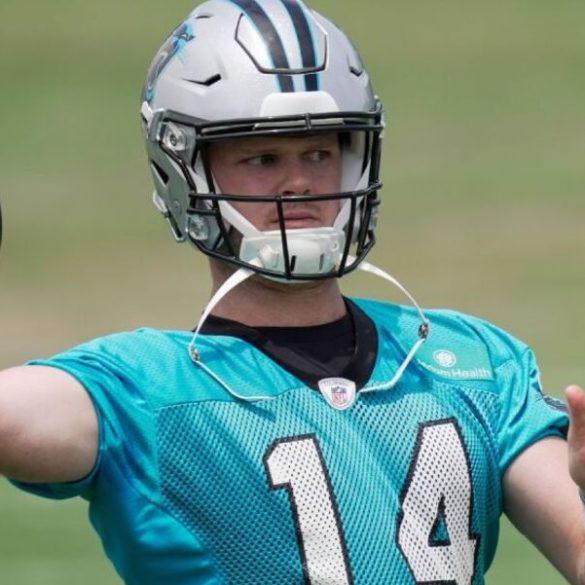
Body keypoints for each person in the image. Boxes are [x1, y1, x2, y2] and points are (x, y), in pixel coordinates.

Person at [0, 0, 583, 583]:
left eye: (320, 153)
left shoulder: (469, 362)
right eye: (262, 157)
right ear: (184, 172)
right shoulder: (145, 389)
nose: (300, 181)